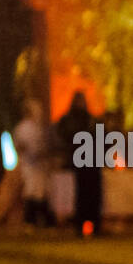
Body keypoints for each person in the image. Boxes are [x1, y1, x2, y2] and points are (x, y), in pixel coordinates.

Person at [55, 90, 102, 236]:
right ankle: (80, 224)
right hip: (80, 161)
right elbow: (64, 135)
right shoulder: (69, 120)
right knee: (82, 194)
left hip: (93, 161)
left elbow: (102, 136)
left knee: (94, 194)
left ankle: (95, 224)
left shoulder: (91, 120)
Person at [13, 99, 54, 228]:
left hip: (39, 165)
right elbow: (19, 145)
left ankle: (41, 221)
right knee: (32, 191)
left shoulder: (37, 128)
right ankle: (31, 220)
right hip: (30, 164)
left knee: (40, 191)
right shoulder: (23, 128)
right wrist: (29, 155)